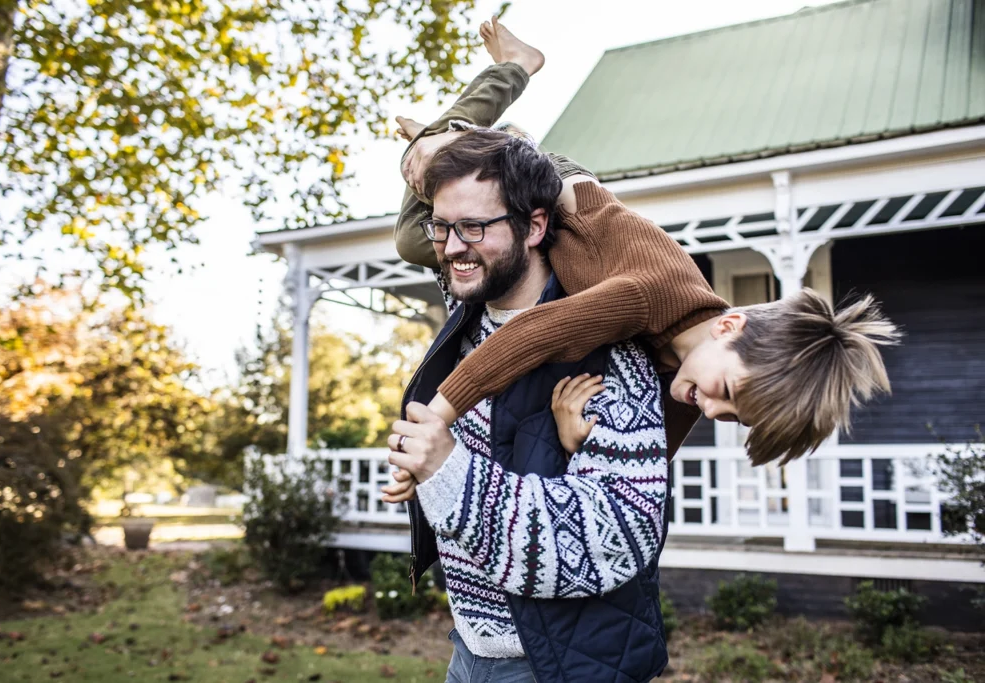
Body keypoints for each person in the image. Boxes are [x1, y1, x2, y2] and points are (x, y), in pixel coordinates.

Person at [382, 19, 899, 509]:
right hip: (560, 192)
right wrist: (435, 420)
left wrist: (576, 444)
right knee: (423, 185)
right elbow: (534, 333)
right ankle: (501, 85)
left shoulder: (688, 381)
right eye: (729, 393)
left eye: (733, 417)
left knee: (415, 230)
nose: (716, 410)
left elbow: (646, 468)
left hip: (548, 231)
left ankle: (452, 138)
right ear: (730, 326)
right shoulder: (650, 296)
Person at [386, 127, 674, 682]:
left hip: (563, 664)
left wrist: (447, 471)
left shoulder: (610, 350)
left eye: (472, 226)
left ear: (535, 225)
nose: (450, 248)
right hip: (468, 650)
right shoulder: (466, 314)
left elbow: (616, 539)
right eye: (441, 227)